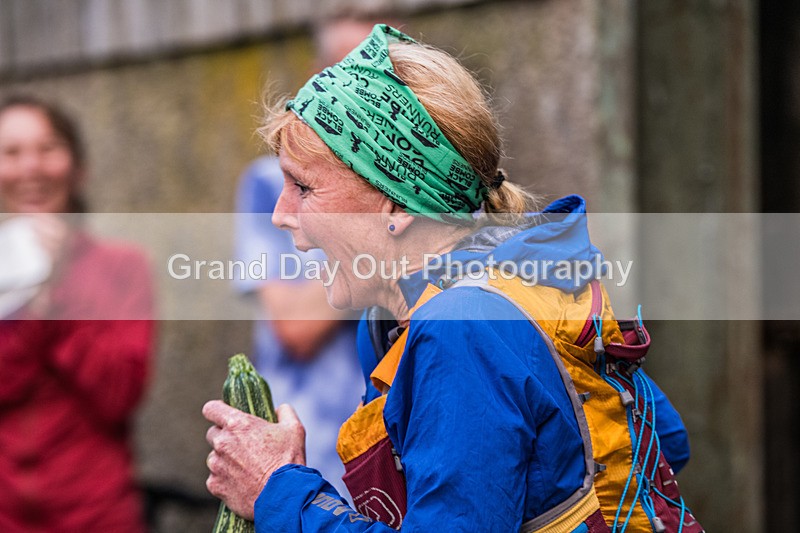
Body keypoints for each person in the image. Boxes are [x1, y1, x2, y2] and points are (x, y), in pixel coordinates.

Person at [203, 25, 701, 532]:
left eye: (304, 188)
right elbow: (663, 438)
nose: (280, 215)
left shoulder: (461, 329)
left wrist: (279, 490)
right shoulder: (503, 283)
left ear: (395, 204)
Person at [232, 16, 398, 498]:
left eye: (384, 72)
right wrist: (383, 251)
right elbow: (294, 326)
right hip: (311, 442)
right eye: (347, 66)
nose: (363, 88)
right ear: (316, 73)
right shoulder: (269, 183)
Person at [0, 95, 154, 532]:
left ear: (77, 167)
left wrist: (55, 292)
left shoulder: (123, 267)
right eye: (11, 152)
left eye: (47, 148)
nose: (31, 167)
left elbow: (119, 394)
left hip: (97, 514)